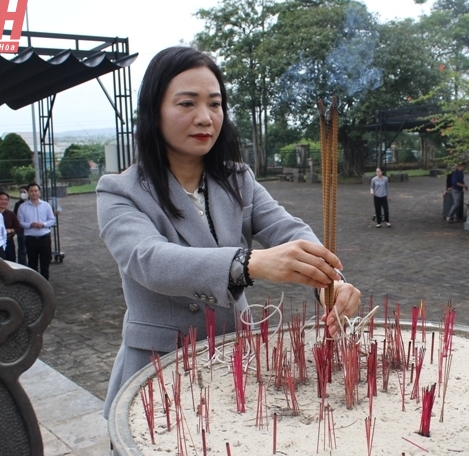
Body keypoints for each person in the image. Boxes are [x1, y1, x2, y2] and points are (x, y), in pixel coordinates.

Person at [97, 46, 361, 417]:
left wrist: (329, 284)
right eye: (187, 104)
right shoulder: (120, 190)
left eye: (215, 104)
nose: (205, 117)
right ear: (153, 111)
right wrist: (249, 263)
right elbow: (148, 260)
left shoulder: (237, 180)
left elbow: (287, 229)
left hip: (236, 358)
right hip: (160, 364)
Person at [18, 183, 55, 279]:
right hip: (31, 239)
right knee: (32, 263)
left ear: (39, 192)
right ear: (28, 193)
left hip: (44, 238)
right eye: (31, 191)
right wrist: (30, 225)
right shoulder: (22, 207)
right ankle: (35, 284)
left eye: (35, 191)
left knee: (45, 262)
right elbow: (20, 222)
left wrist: (44, 224)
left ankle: (45, 283)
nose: (33, 193)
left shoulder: (46, 205)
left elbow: (52, 220)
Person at [0, 191, 21, 262]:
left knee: (11, 262)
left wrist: (10, 230)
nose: (3, 201)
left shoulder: (11, 214)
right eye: (1, 199)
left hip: (9, 241)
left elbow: (18, 228)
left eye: (5, 200)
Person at [13, 185, 29, 264]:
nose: (22, 194)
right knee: (22, 248)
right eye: (21, 192)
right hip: (22, 229)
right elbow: (15, 216)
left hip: (32, 229)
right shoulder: (18, 204)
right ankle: (22, 264)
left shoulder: (32, 203)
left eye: (24, 192)